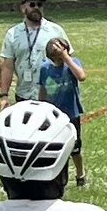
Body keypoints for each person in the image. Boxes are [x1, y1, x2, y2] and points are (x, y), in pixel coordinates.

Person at [37, 31, 88, 186]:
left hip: (71, 112)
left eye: (61, 56)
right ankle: (59, 177)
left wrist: (66, 58)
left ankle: (80, 174)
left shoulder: (72, 63)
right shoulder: (45, 68)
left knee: (75, 148)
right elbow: (43, 89)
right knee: (56, 147)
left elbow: (82, 76)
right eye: (56, 58)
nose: (59, 60)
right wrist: (41, 109)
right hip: (54, 115)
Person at [0, 0, 54, 108]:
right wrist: (4, 95)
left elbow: (67, 61)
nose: (36, 7)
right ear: (23, 8)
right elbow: (7, 66)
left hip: (51, 94)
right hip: (24, 95)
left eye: (39, 5)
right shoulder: (12, 34)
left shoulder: (55, 31)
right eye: (32, 5)